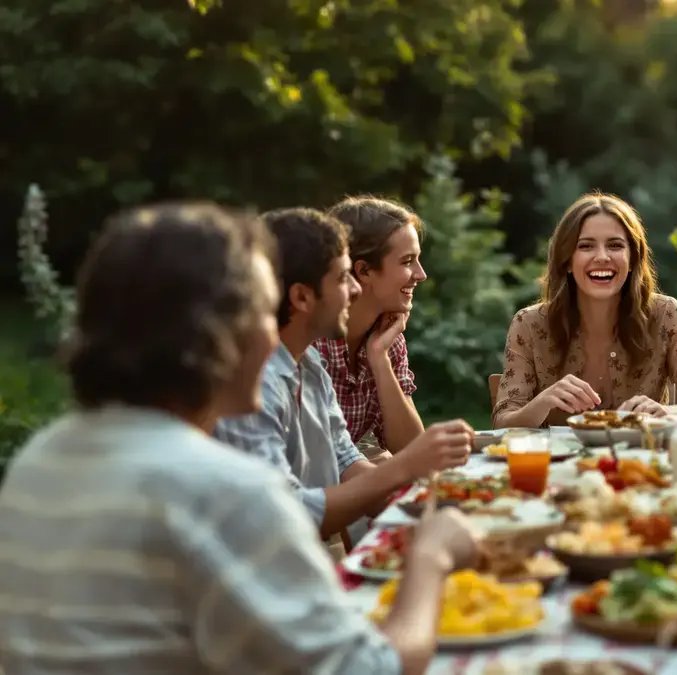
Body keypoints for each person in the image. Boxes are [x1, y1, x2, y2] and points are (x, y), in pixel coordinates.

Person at [0, 203, 479, 674]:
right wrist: (430, 557)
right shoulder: (223, 489)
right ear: (220, 334)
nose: (274, 337)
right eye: (264, 312)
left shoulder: (37, 460)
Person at [215, 208, 470, 547]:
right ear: (302, 297)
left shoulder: (309, 364)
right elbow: (286, 515)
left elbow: (346, 459)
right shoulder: (253, 383)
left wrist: (449, 501)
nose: (354, 289)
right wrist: (405, 467)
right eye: (341, 278)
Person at [492, 192, 677, 428]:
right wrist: (542, 402)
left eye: (615, 245)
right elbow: (503, 422)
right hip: (555, 454)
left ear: (632, 259)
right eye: (586, 246)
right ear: (567, 261)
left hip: (645, 452)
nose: (602, 257)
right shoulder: (529, 325)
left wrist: (668, 412)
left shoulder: (665, 314)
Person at [316, 196, 426, 459]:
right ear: (364, 271)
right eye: (407, 261)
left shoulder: (387, 336)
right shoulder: (312, 340)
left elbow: (412, 449)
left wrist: (379, 358)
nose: (421, 274)